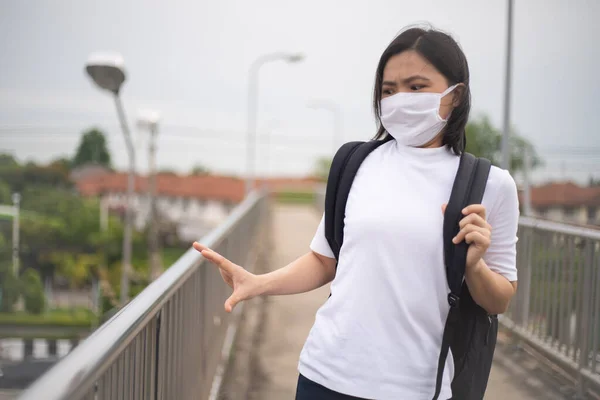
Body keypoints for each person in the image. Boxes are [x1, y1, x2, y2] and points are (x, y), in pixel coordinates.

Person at [193, 26, 519, 400]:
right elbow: (324, 259)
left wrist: (474, 267)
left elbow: (500, 300)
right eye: (388, 90)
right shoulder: (356, 163)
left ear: (456, 95)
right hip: (324, 375)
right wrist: (257, 283)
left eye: (415, 87)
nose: (399, 100)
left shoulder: (490, 185)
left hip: (416, 389)